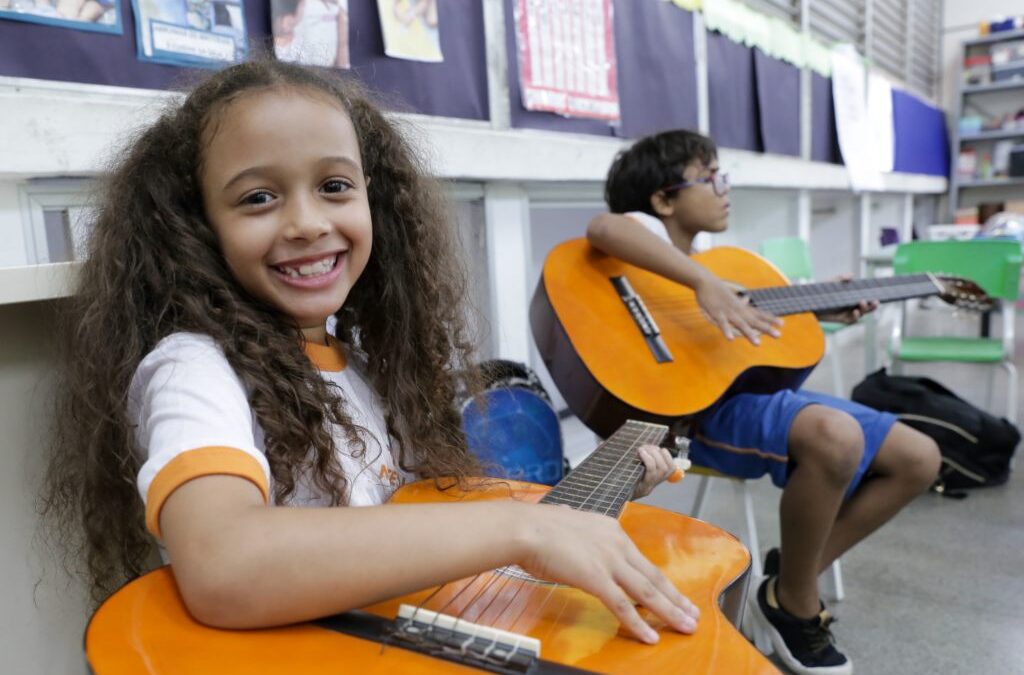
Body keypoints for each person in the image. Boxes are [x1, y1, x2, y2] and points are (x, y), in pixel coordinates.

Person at [40, 60, 698, 649]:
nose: (306, 221)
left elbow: (414, 534)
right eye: (258, 197)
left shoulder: (358, 366)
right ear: (196, 225)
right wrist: (521, 529)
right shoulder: (194, 367)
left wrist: (581, 503)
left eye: (334, 186)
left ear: (374, 201)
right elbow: (223, 564)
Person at [586, 129, 942, 674]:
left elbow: (747, 321)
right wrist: (706, 284)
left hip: (749, 395)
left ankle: (784, 582)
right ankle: (797, 605)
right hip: (693, 414)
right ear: (662, 200)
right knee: (835, 435)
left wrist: (823, 305)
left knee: (920, 458)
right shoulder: (645, 237)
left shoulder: (718, 265)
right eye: (710, 178)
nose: (724, 189)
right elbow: (603, 226)